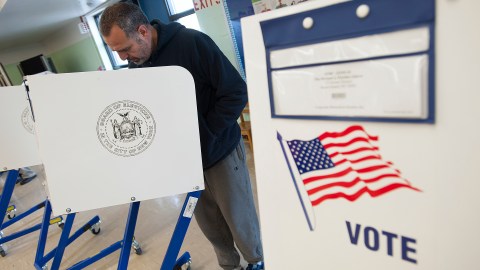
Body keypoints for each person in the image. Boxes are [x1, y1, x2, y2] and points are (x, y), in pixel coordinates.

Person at [99, 3, 264, 270]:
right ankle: (230, 265)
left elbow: (235, 91)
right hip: (184, 162)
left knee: (238, 217)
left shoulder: (192, 43)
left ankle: (257, 261)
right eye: (116, 52)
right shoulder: (137, 68)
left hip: (219, 151)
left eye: (125, 49)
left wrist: (206, 134)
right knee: (210, 223)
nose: (122, 58)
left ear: (142, 31)